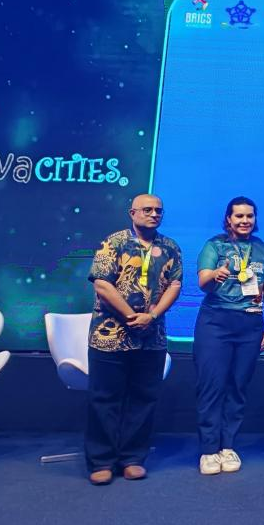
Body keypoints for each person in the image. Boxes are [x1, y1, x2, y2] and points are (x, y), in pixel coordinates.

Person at [85, 194, 182, 485]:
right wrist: (131, 316)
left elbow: (175, 284)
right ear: (132, 213)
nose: (154, 214)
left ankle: (132, 458)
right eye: (147, 210)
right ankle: (101, 460)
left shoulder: (170, 247)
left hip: (152, 338)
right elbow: (102, 284)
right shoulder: (113, 242)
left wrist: (151, 316)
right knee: (105, 398)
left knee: (144, 398)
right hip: (110, 335)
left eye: (158, 211)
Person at [193, 196, 264, 475]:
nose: (244, 221)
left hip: (250, 325)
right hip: (215, 323)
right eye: (239, 216)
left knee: (238, 386)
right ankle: (208, 449)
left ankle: (227, 446)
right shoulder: (214, 245)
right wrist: (215, 275)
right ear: (229, 218)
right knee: (212, 385)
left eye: (249, 216)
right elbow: (203, 283)